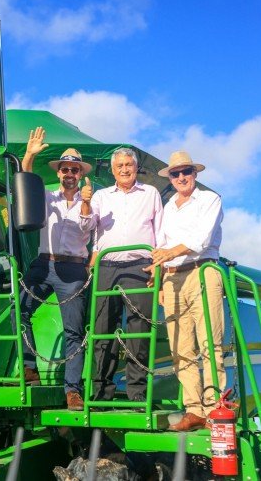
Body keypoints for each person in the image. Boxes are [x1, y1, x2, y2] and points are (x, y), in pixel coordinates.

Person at [144, 151, 226, 431]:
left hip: (203, 270)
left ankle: (215, 407)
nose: (181, 177)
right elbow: (161, 243)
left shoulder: (210, 199)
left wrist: (168, 254)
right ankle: (194, 409)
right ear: (170, 177)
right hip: (172, 277)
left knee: (210, 343)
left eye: (186, 172)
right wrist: (160, 273)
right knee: (180, 348)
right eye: (175, 174)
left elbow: (201, 239)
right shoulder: (168, 207)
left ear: (195, 174)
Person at [17, 127, 94, 411]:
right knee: (18, 309)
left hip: (73, 270)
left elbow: (87, 226)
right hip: (43, 263)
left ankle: (72, 391)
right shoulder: (48, 197)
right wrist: (29, 155)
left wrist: (85, 202)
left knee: (73, 331)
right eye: (65, 169)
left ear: (80, 174)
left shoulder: (90, 202)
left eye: (74, 169)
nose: (69, 174)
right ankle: (30, 369)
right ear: (59, 173)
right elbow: (25, 182)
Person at [79, 147, 163, 403]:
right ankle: (102, 392)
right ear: (114, 170)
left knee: (139, 330)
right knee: (103, 329)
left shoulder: (151, 193)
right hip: (108, 266)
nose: (125, 169)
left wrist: (158, 266)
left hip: (140, 265)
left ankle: (138, 394)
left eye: (129, 165)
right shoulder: (101, 196)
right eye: (120, 166)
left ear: (136, 168)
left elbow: (160, 231)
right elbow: (87, 226)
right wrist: (84, 201)